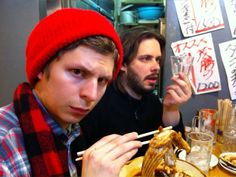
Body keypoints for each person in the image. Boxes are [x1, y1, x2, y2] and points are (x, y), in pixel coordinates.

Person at [0, 8, 142, 177]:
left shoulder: (70, 133)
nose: (91, 95)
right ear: (41, 68)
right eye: (77, 72)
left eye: (102, 80)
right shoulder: (5, 145)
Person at [80, 26, 192, 157]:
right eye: (145, 58)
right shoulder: (96, 103)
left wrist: (171, 109)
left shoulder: (152, 102)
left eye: (157, 60)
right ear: (122, 64)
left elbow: (178, 152)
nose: (156, 67)